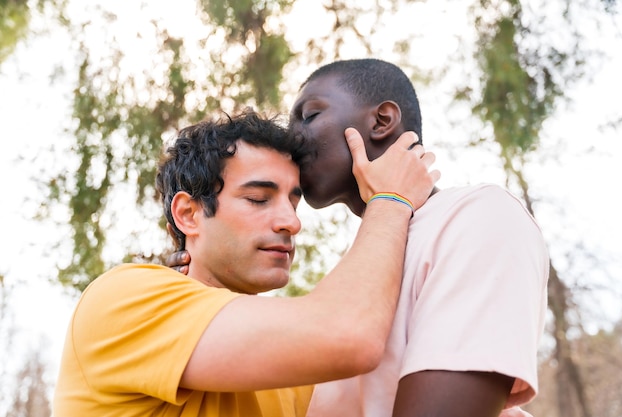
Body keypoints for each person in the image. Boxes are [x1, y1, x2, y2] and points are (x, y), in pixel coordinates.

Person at [169, 59, 549, 417]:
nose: (291, 136)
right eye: (257, 199)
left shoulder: (476, 216)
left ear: (382, 120)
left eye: (310, 114)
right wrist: (197, 286)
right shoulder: (357, 280)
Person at [53, 110, 440, 416]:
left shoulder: (290, 373)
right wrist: (390, 201)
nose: (292, 222)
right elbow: (350, 334)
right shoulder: (124, 299)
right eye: (258, 199)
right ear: (188, 214)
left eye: (294, 201)